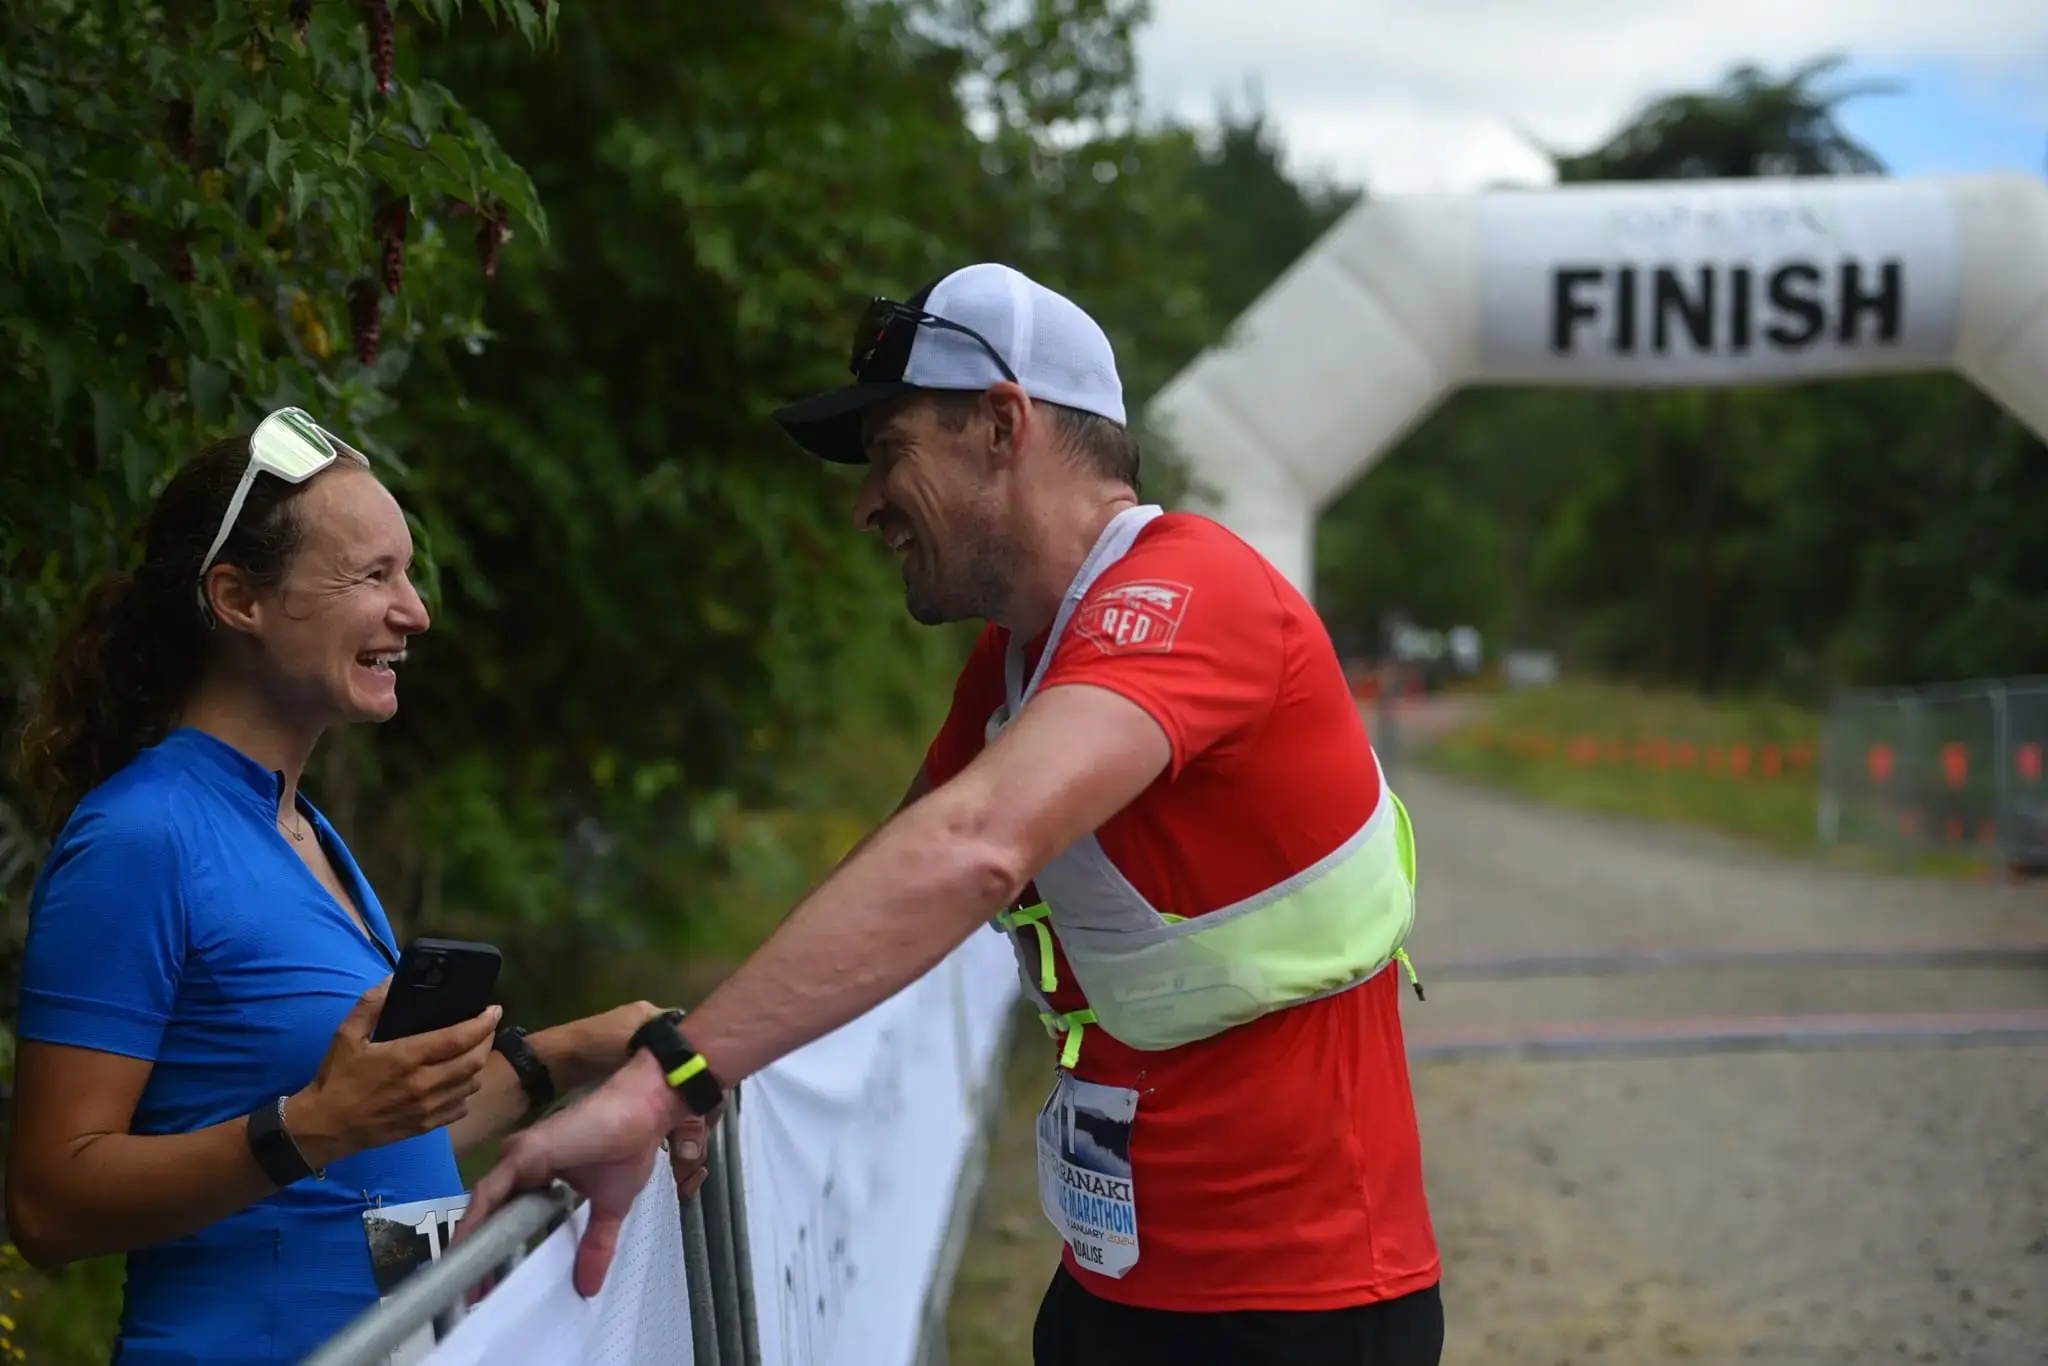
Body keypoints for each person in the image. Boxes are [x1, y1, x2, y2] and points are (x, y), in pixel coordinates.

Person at [462, 264, 1447, 1365]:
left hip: (1299, 1302)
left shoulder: (1191, 591)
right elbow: (892, 876)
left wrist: (673, 1078)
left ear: (1001, 424)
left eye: (890, 451)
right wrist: (695, 1055)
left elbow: (973, 847)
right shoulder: (1024, 654)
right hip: (1122, 1287)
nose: (866, 504)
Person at [6, 411, 662, 1366]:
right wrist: (310, 1128)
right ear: (238, 599)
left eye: (408, 574)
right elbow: (48, 1207)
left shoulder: (302, 830)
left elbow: (371, 1143)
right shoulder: (141, 837)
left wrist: (572, 1051)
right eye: (372, 577)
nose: (416, 612)